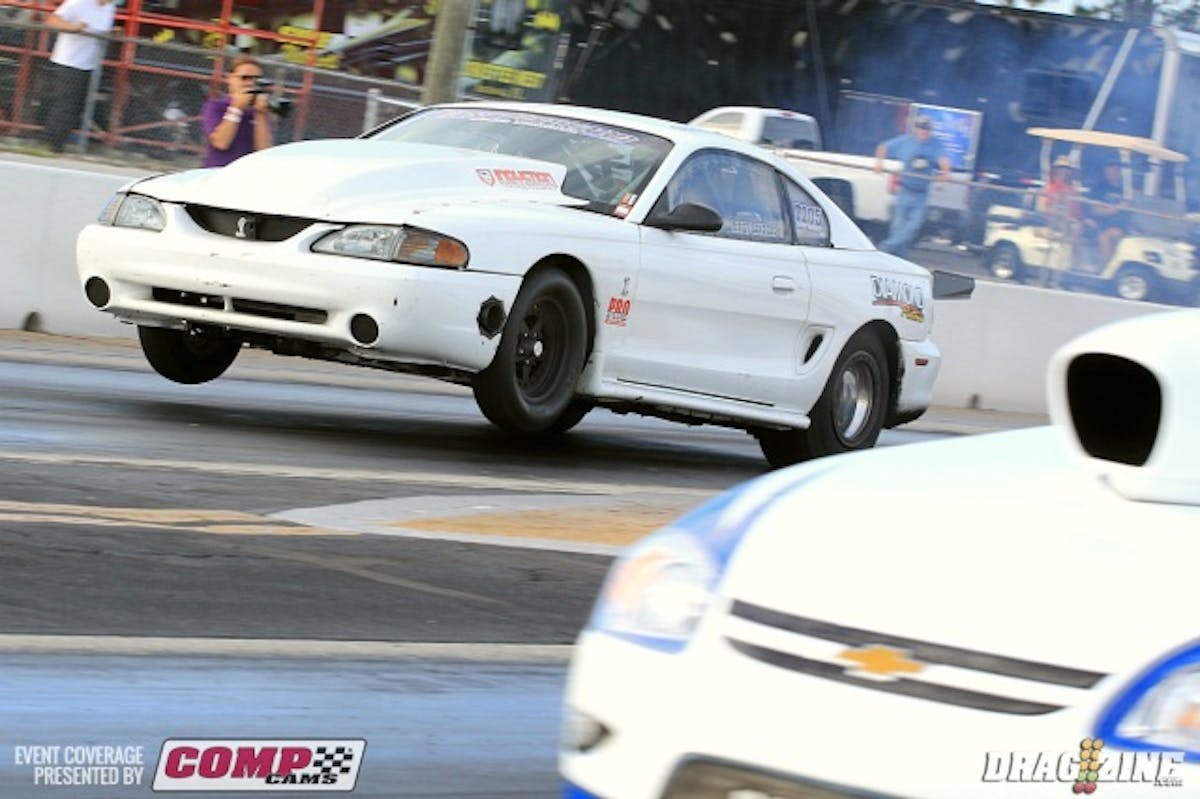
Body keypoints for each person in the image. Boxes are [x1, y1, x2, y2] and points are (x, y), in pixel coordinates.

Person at [42, 0, 116, 153]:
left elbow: (100, 31)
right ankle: (52, 143)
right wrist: (72, 27)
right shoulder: (78, 2)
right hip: (69, 61)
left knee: (80, 104)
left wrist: (112, 33)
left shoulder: (110, 8)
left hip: (90, 64)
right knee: (67, 103)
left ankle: (62, 140)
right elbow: (52, 20)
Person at [874, 116, 951, 259]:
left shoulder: (936, 145)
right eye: (921, 128)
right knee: (897, 226)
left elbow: (944, 163)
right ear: (916, 129)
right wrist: (879, 163)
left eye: (926, 129)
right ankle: (899, 258)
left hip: (921, 194)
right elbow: (883, 147)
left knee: (913, 226)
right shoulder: (905, 141)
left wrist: (944, 173)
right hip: (904, 190)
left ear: (930, 131)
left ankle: (886, 248)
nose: (923, 132)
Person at [201, 56, 274, 168]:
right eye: (244, 78)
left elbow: (264, 151)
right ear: (230, 78)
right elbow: (221, 143)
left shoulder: (260, 111)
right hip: (218, 171)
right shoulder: (216, 106)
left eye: (256, 79)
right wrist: (236, 108)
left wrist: (260, 114)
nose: (250, 83)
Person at [1082, 159, 1131, 265]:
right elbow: (1094, 209)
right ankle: (1107, 269)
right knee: (1104, 237)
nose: (1111, 173)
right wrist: (1116, 209)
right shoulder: (1099, 187)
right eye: (1108, 171)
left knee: (1115, 236)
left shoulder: (1127, 189)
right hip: (1099, 224)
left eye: (1114, 170)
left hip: (1120, 226)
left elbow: (1130, 207)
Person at [1037, 155, 1081, 238]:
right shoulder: (1049, 187)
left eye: (1066, 169)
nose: (1064, 171)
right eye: (1060, 168)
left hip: (1070, 222)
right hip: (1054, 220)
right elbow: (1047, 207)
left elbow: (1077, 210)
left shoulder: (1073, 189)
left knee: (1077, 228)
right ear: (1055, 171)